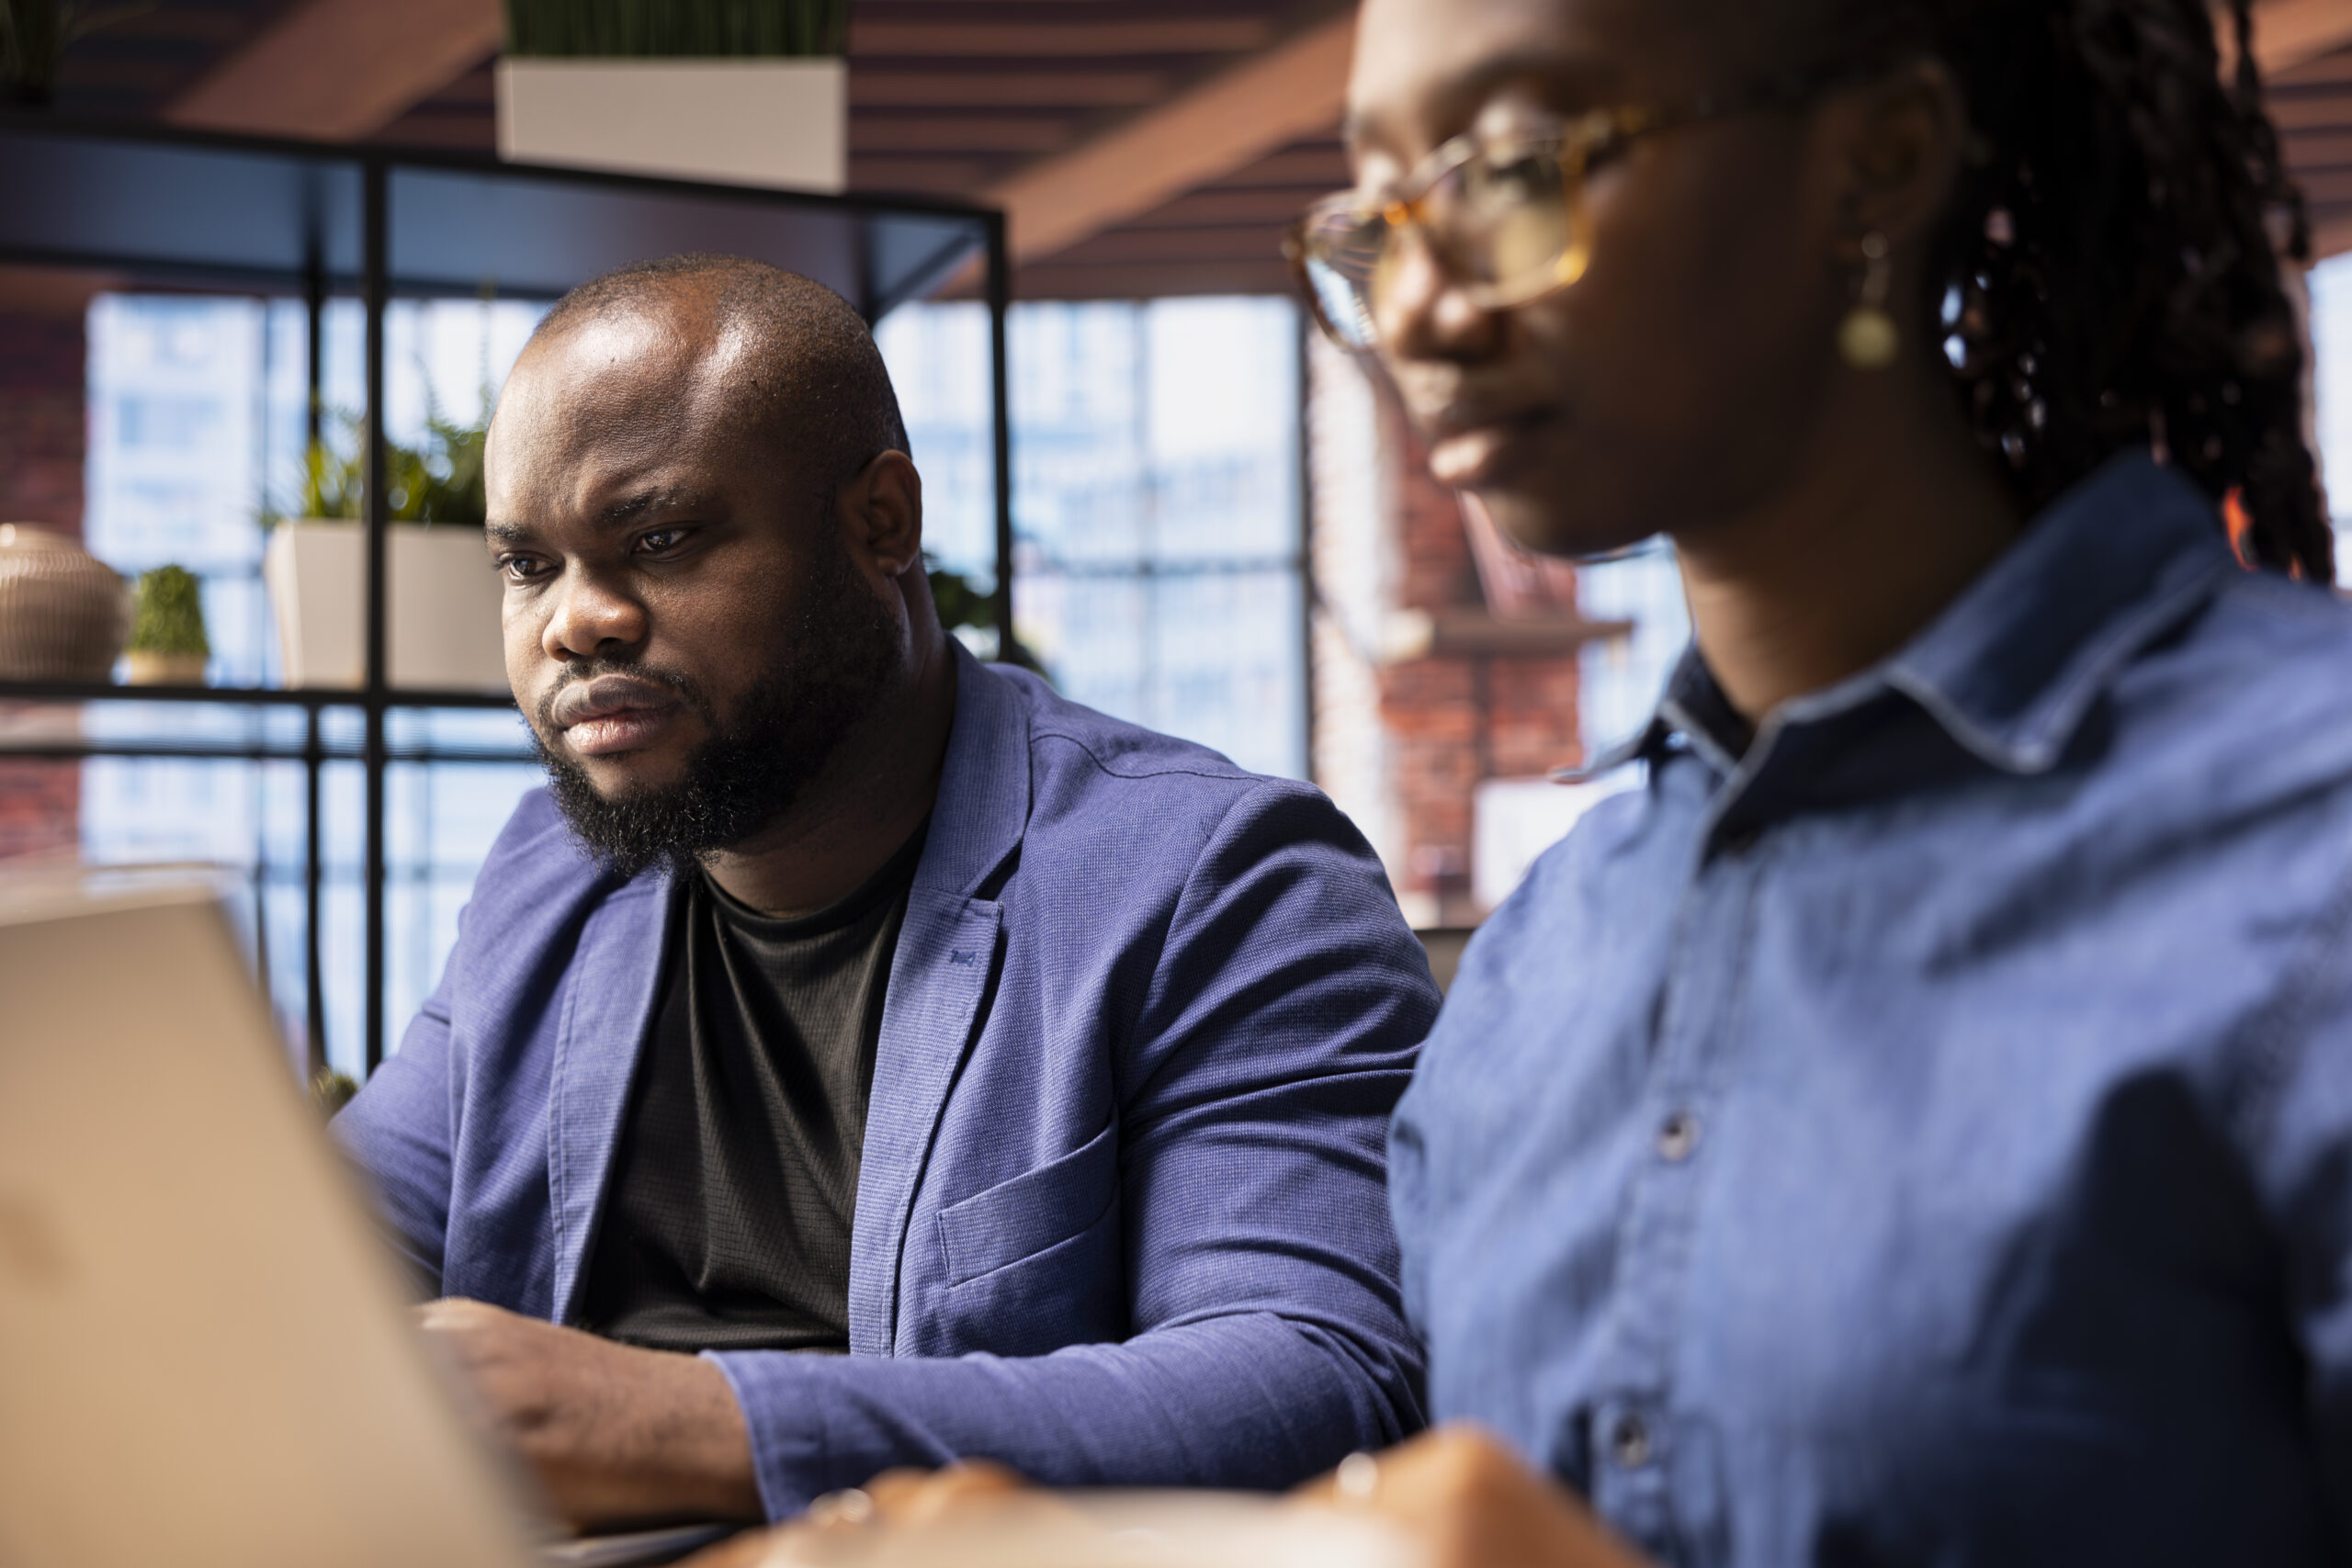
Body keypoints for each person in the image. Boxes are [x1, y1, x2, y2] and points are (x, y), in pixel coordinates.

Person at [1283, 0, 2352, 1561]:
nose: (1419, 310)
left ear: (1879, 158)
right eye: (1377, 217)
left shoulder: (2307, 838)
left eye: (1510, 172)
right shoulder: (1536, 980)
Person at [332, 254, 1436, 1530]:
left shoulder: (1223, 883)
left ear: (883, 524)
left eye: (658, 539)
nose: (575, 623)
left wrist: (679, 1422)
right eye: (529, 567)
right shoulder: (550, 878)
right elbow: (320, 1268)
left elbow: (1321, 1377)